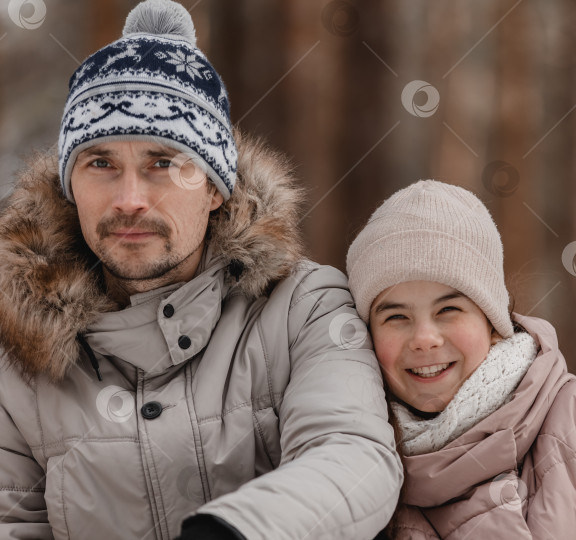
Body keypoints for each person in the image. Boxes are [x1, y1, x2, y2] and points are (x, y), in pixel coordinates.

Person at [0, 1, 402, 539]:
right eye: (101, 164)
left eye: (162, 163)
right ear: (72, 188)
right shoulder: (17, 355)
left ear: (214, 187)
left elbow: (354, 456)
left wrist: (238, 531)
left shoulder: (303, 307)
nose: (130, 199)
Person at [346, 180, 576, 539]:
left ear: (493, 321)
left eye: (448, 309)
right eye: (396, 317)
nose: (424, 339)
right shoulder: (350, 462)